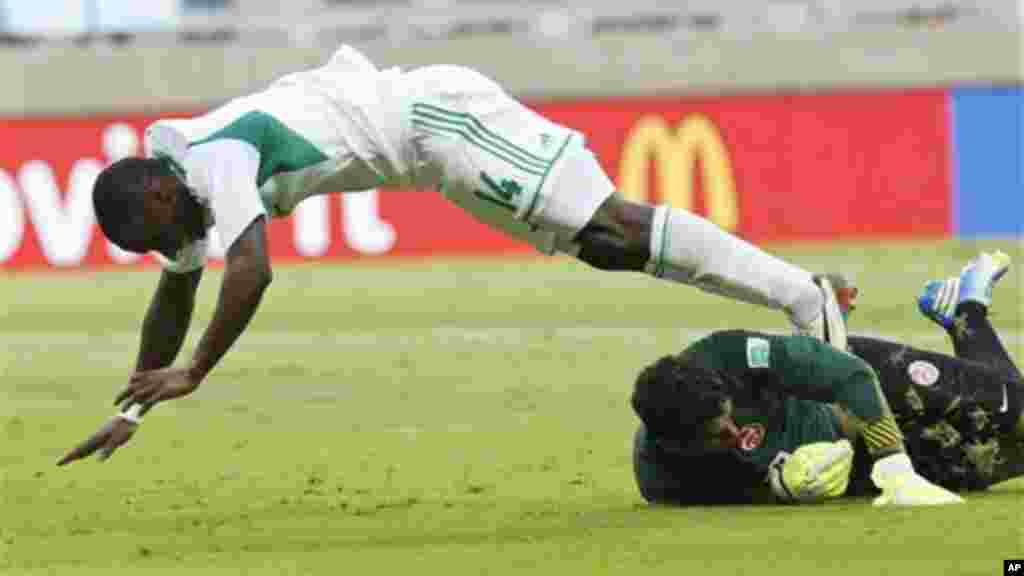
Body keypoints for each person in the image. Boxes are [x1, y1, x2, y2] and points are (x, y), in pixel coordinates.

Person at [58, 45, 846, 466]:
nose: (168, 250)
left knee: (613, 227)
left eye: (156, 237)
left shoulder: (216, 161)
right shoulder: (184, 184)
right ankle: (799, 292)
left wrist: (195, 371)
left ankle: (802, 297)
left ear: (158, 198)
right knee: (601, 248)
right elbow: (179, 291)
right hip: (428, 160)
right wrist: (131, 405)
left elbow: (252, 271)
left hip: (436, 120)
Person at [630, 251, 1020, 507]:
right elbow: (740, 494)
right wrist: (777, 489)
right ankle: (961, 314)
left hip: (862, 382)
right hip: (849, 463)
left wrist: (894, 466)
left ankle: (967, 308)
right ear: (675, 442)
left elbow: (847, 374)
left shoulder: (729, 354)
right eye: (717, 436)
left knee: (1017, 409)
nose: (735, 434)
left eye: (730, 418)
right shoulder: (665, 482)